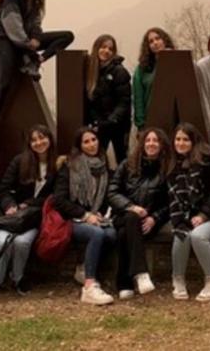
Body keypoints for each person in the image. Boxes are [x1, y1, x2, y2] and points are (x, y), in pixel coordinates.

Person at [0, 0, 75, 152]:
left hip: (26, 40)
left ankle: (36, 61)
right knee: (5, 81)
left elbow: (35, 22)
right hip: (5, 38)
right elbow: (12, 23)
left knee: (66, 36)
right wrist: (27, 45)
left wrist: (36, 40)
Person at [0, 124, 55, 297]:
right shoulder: (19, 161)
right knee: (2, 241)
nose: (39, 143)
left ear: (49, 139)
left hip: (34, 217)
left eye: (42, 138)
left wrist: (30, 203)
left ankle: (18, 278)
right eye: (34, 140)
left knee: (22, 242)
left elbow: (56, 196)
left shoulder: (57, 165)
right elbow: (3, 189)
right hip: (12, 215)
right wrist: (9, 205)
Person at [169, 122, 210, 302]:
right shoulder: (174, 165)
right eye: (178, 139)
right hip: (187, 215)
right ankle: (178, 279)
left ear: (194, 141)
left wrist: (204, 214)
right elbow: (172, 196)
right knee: (181, 234)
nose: (180, 143)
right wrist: (180, 220)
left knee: (198, 236)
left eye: (185, 140)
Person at [54, 127, 116, 305]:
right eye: (86, 142)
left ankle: (83, 267)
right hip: (71, 219)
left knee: (111, 234)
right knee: (96, 233)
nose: (91, 144)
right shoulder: (69, 167)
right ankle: (89, 286)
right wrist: (85, 214)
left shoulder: (105, 169)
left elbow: (106, 199)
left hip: (95, 218)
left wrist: (99, 213)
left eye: (94, 140)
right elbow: (59, 200)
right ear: (79, 146)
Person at [107, 127, 171, 300]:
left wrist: (154, 218)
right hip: (123, 214)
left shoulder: (167, 168)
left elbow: (170, 202)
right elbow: (112, 192)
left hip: (148, 222)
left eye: (155, 140)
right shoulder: (128, 164)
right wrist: (130, 206)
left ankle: (124, 284)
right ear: (142, 143)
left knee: (123, 234)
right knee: (130, 219)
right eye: (148, 140)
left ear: (162, 145)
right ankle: (141, 272)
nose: (151, 144)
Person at [85, 34, 132, 163]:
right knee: (97, 159)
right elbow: (91, 101)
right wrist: (96, 121)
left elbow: (124, 101)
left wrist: (111, 120)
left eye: (110, 49)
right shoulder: (90, 71)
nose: (106, 51)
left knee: (122, 159)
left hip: (118, 124)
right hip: (100, 124)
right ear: (96, 48)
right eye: (103, 47)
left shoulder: (119, 71)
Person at [132, 27, 175, 137]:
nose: (155, 43)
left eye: (158, 38)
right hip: (151, 121)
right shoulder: (141, 69)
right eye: (151, 41)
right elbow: (138, 99)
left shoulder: (177, 60)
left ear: (165, 40)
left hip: (175, 120)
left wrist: (170, 57)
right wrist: (141, 125)